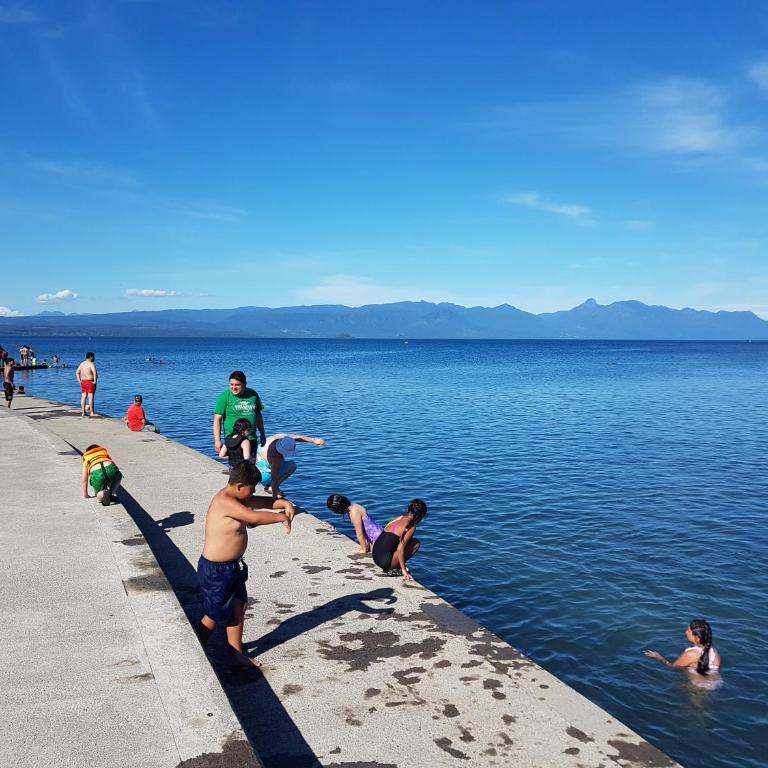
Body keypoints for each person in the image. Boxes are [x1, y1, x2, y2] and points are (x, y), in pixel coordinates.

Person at [196, 461, 295, 667]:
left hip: (234, 567)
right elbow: (253, 517)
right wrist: (279, 518)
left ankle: (235, 653)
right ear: (240, 486)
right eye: (251, 489)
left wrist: (283, 504)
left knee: (238, 607)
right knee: (214, 613)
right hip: (216, 570)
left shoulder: (237, 496)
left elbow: (259, 502)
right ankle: (194, 650)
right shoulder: (225, 501)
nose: (253, 494)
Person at [212, 371, 266, 458]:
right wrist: (217, 440)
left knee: (251, 464)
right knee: (236, 465)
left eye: (237, 385)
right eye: (231, 384)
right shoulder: (224, 397)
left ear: (245, 384)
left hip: (251, 437)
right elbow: (217, 419)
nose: (234, 388)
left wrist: (262, 434)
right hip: (233, 439)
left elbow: (258, 415)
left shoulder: (253, 394)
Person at [371, 499, 428, 580]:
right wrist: (403, 569)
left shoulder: (399, 518)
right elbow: (400, 548)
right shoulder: (411, 526)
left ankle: (394, 565)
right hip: (384, 562)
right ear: (421, 515)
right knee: (416, 543)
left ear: (408, 509)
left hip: (375, 556)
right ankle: (395, 569)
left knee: (405, 542)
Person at [257, 433, 326, 497]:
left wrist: (314, 440)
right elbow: (274, 479)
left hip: (255, 469)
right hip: (263, 477)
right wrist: (275, 498)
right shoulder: (276, 459)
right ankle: (270, 487)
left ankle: (269, 485)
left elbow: (298, 437)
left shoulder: (277, 437)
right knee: (292, 466)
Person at [644, 619, 721, 676]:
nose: (685, 632)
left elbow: (672, 668)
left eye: (688, 631)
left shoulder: (691, 654)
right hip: (716, 684)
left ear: (697, 637)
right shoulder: (714, 651)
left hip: (699, 688)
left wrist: (658, 657)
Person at [76, 351, 98, 417]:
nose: (94, 358)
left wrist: (79, 380)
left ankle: (83, 412)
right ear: (91, 357)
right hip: (90, 382)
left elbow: (77, 372)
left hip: (83, 382)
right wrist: (95, 382)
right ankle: (92, 412)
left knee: (83, 397)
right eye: (93, 357)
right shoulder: (91, 364)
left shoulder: (82, 364)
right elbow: (94, 373)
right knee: (91, 398)